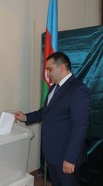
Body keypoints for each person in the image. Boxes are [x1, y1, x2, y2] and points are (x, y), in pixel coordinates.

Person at [14, 52, 90, 186]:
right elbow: (46, 112)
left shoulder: (78, 89)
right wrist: (25, 117)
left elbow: (80, 127)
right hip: (53, 153)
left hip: (66, 156)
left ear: (62, 67)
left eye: (50, 69)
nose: (47, 74)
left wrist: (70, 158)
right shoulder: (54, 88)